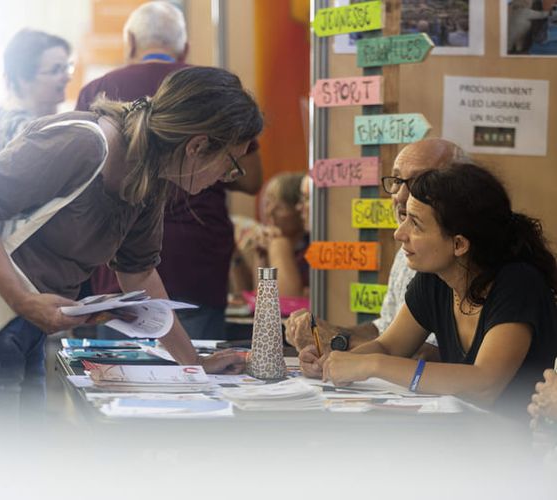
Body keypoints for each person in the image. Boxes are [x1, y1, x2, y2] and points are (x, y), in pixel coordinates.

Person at [0, 66, 263, 419]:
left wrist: (193, 363)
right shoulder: (85, 144)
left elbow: (138, 274)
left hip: (25, 323)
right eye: (231, 164)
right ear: (198, 146)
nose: (227, 177)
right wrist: (23, 299)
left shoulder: (152, 174)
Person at [300, 163, 557, 419]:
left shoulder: (518, 284)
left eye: (416, 224)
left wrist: (373, 365)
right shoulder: (434, 279)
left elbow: (484, 384)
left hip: (518, 448)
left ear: (459, 244)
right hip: (461, 436)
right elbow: (389, 347)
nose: (400, 234)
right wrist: (332, 364)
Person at [76, 1, 263, 339]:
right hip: (196, 256)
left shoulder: (100, 90)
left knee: (119, 376)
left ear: (130, 42)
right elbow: (253, 179)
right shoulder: (210, 94)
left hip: (116, 267)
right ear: (185, 48)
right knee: (194, 378)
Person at [285, 138, 467, 358]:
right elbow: (386, 331)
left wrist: (337, 342)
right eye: (397, 180)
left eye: (418, 182)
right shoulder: (408, 250)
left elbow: (431, 356)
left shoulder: (454, 260)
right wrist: (329, 333)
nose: (400, 195)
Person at [0, 28, 73, 161]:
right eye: (56, 70)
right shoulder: (25, 132)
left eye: (67, 68)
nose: (67, 78)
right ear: (23, 79)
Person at [230, 172, 309, 297]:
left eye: (280, 206)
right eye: (268, 203)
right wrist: (261, 257)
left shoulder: (310, 250)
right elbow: (262, 299)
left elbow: (286, 299)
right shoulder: (269, 243)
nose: (268, 212)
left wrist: (278, 244)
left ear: (300, 209)